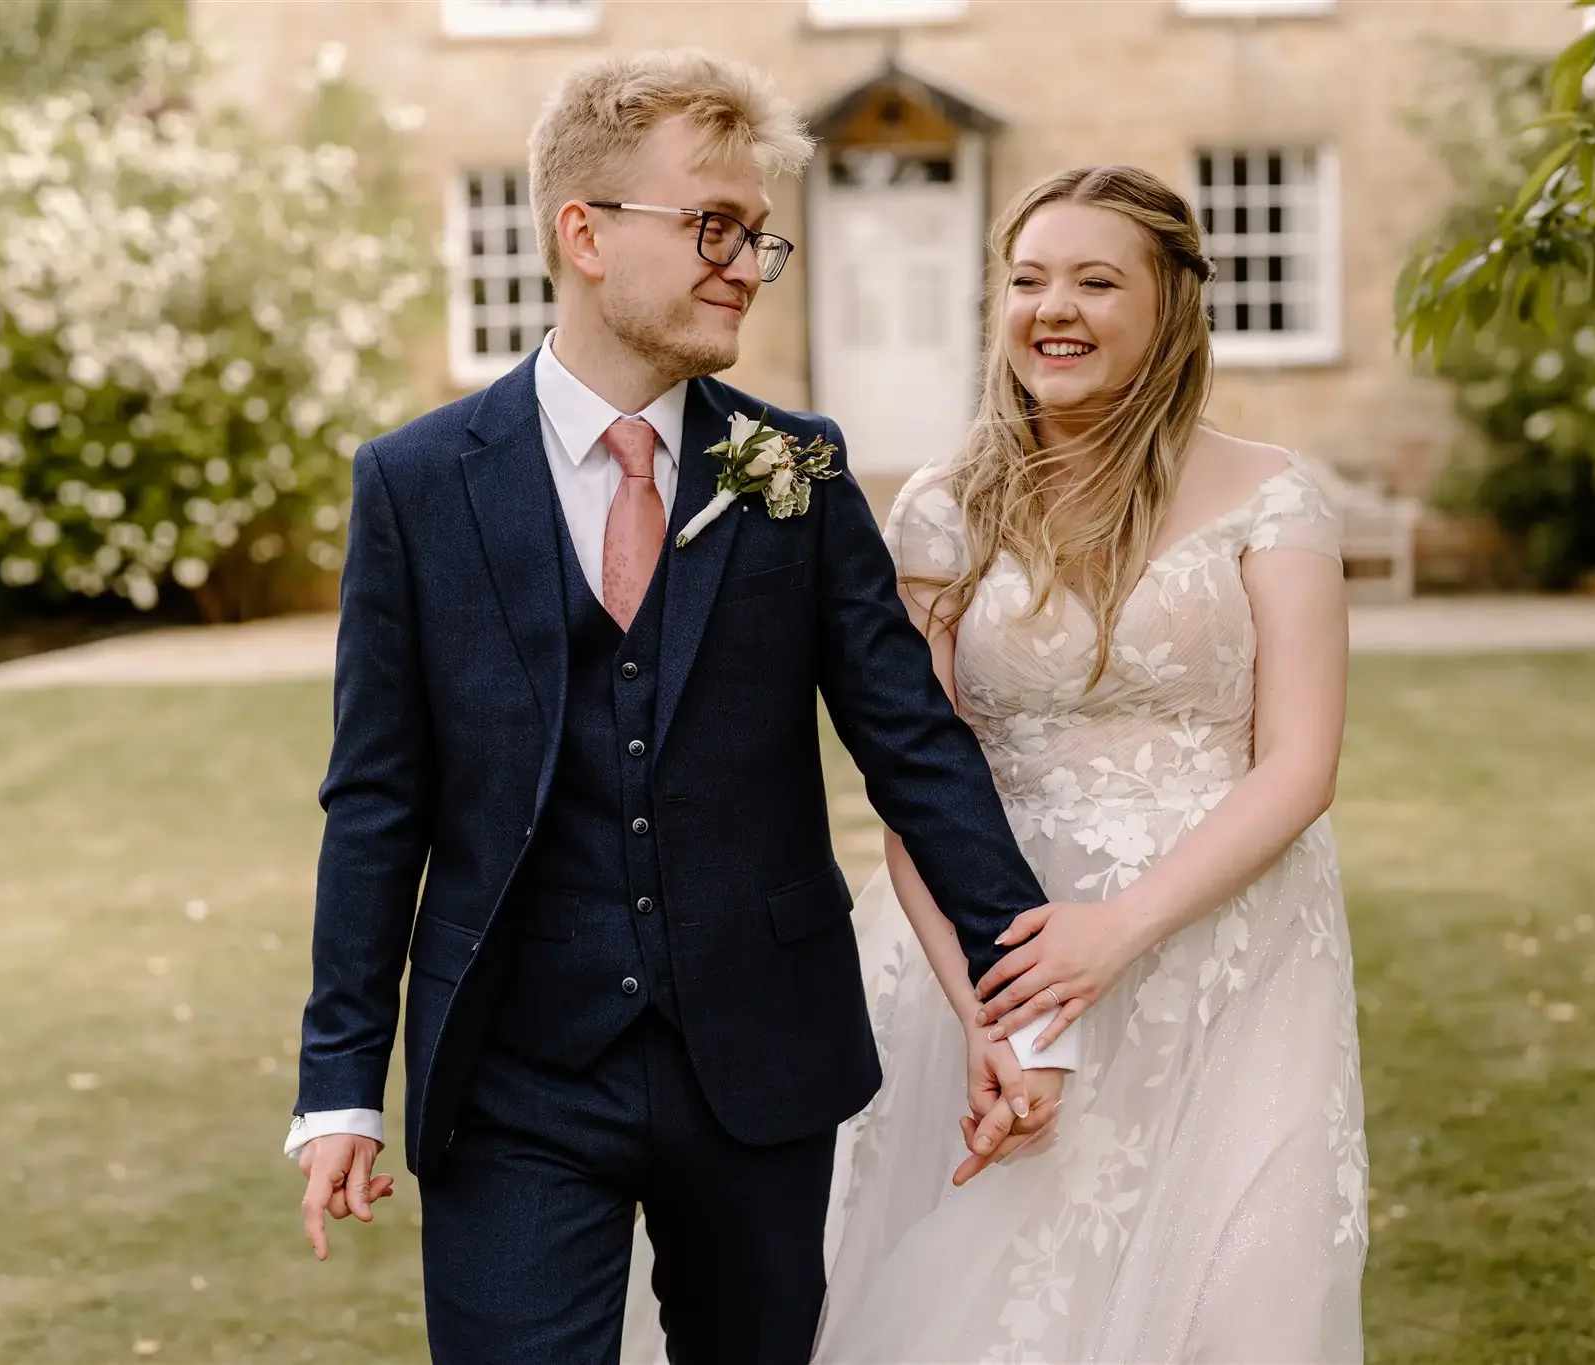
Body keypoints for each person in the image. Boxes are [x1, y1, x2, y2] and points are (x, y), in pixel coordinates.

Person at [283, 50, 1071, 1365]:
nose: (740, 263)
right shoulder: (416, 486)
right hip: (514, 1071)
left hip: (760, 1056)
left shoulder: (794, 469)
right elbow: (378, 798)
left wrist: (1020, 999)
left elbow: (912, 748)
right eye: (712, 224)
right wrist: (336, 1086)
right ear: (583, 234)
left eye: (757, 238)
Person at [811, 164, 1368, 1362]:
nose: (1050, 308)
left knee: (1231, 1290)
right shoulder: (942, 509)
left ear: (1169, 304)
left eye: (1094, 281)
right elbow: (915, 774)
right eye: (1025, 280)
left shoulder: (1271, 498)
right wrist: (990, 1013)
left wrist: (1113, 933)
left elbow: (1299, 764)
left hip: (1230, 951)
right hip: (991, 949)